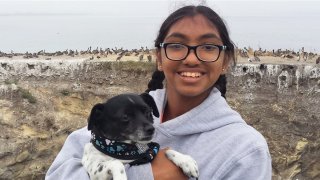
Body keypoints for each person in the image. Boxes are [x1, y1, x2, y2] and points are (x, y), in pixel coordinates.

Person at [46, 5, 272, 180]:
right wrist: (146, 174)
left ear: (226, 61)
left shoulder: (246, 149)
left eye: (208, 47)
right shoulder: (115, 116)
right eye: (176, 45)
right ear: (159, 58)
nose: (191, 58)